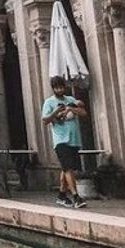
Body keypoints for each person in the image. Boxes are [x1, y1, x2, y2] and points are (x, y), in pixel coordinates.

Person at [42, 75, 88, 209]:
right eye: (57, 88)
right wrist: (57, 111)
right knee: (68, 168)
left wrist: (71, 108)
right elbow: (45, 120)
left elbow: (83, 112)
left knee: (66, 168)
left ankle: (62, 195)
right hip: (60, 140)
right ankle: (75, 196)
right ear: (53, 88)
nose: (59, 90)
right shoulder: (49, 102)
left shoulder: (70, 100)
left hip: (74, 139)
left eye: (61, 87)